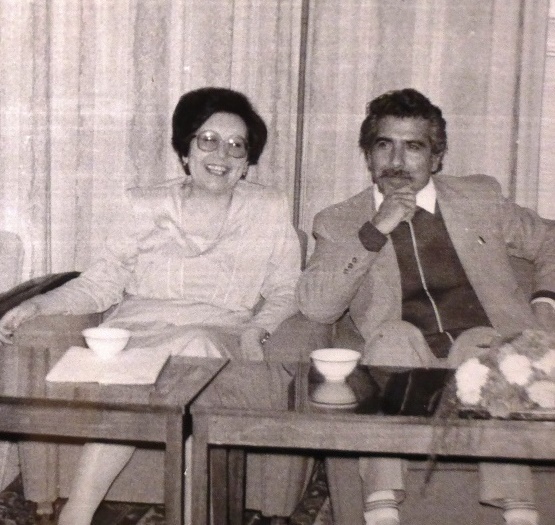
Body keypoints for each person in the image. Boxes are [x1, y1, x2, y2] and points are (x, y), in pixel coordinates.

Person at [0, 87, 302, 524]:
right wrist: (40, 304)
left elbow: (286, 288)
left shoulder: (268, 208)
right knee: (165, 360)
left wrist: (259, 329)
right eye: (208, 140)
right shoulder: (143, 204)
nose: (222, 154)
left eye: (237, 145)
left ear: (247, 161)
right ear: (185, 150)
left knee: (194, 346)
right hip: (139, 334)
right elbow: (102, 282)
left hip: (220, 339)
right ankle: (85, 514)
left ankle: (96, 514)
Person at [297, 88, 555, 525]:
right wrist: (375, 231)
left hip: (483, 358)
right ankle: (382, 503)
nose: (397, 161)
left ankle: (517, 505)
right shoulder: (339, 220)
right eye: (384, 145)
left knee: (480, 341)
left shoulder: (479, 197)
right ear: (368, 155)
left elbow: (550, 238)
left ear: (436, 158)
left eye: (414, 147)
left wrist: (545, 302)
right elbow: (317, 306)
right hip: (403, 365)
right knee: (393, 337)